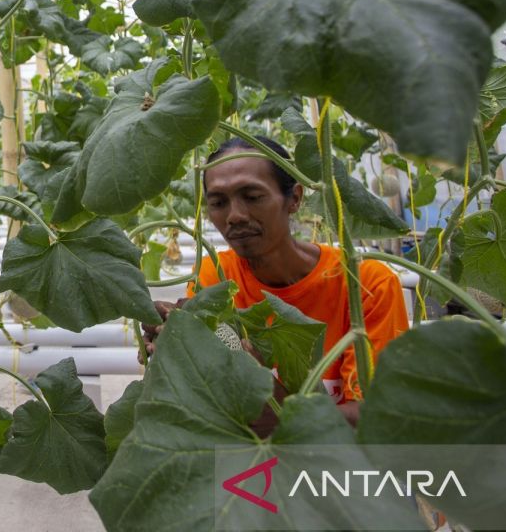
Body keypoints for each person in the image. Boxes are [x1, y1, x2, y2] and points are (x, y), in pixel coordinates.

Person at [143, 136, 409, 433]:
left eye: (253, 196)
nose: (235, 216)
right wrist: (178, 346)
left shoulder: (369, 284)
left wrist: (260, 388)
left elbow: (373, 420)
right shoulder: (216, 276)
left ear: (294, 198)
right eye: (218, 202)